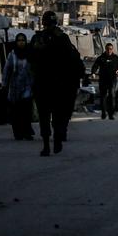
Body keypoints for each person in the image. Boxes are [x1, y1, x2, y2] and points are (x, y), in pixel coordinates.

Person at [30, 11, 83, 157]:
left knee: (49, 116)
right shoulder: (51, 38)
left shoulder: (49, 38)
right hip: (51, 84)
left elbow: (71, 59)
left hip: (52, 84)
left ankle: (53, 141)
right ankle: (50, 142)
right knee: (50, 115)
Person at [2, 33, 35, 140]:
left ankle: (27, 132)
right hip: (14, 87)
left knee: (26, 110)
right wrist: (4, 84)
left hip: (27, 86)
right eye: (19, 40)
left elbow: (34, 70)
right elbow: (7, 70)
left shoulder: (30, 54)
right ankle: (18, 132)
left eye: (23, 40)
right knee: (16, 111)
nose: (21, 42)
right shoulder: (12, 55)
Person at [91, 42, 118, 120]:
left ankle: (111, 114)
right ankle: (103, 113)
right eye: (108, 49)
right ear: (105, 49)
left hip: (112, 80)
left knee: (112, 96)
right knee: (103, 96)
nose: (109, 50)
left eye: (110, 49)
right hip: (103, 80)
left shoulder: (116, 58)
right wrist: (93, 72)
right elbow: (95, 66)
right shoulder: (101, 58)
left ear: (112, 49)